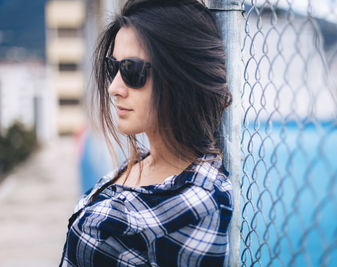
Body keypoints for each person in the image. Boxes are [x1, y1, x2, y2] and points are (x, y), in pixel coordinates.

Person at [59, 0, 233, 266]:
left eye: (131, 70)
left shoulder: (197, 204)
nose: (113, 88)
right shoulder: (143, 160)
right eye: (112, 68)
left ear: (180, 75)